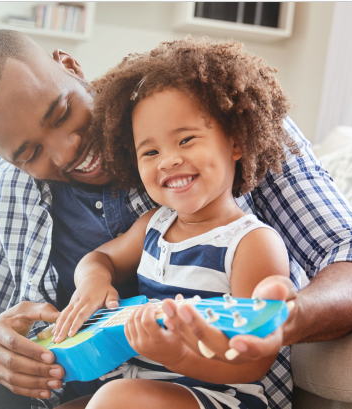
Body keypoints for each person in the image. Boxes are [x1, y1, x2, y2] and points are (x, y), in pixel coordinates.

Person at [0, 30, 352, 409]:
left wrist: (282, 318)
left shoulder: (213, 118)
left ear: (71, 65)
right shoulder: (18, 187)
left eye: (63, 111)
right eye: (30, 153)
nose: (65, 150)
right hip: (77, 386)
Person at [52, 36, 296, 409]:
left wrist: (176, 356)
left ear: (235, 141)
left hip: (222, 395)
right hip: (147, 385)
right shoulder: (154, 225)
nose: (167, 161)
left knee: (117, 398)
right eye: (150, 151)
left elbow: (253, 361)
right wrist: (93, 281)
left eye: (186, 140)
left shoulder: (252, 243)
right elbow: (99, 259)